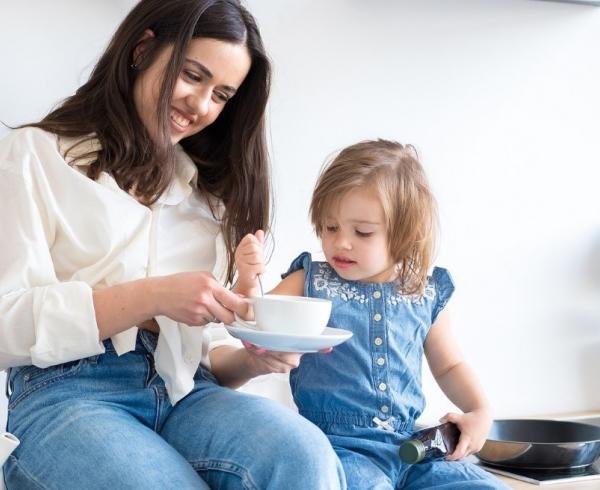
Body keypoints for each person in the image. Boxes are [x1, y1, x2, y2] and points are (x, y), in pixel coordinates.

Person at [0, 1, 346, 488]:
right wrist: (153, 296)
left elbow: (205, 354)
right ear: (143, 49)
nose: (201, 105)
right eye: (192, 75)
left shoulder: (207, 198)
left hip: (187, 393)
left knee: (303, 455)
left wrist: (252, 358)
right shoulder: (35, 156)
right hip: (68, 394)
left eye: (221, 94)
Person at [235, 139, 510, 489]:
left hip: (413, 448)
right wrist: (247, 280)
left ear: (405, 235)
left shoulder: (424, 291)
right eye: (330, 227)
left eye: (362, 232)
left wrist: (480, 411)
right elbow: (254, 317)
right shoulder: (310, 280)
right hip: (339, 448)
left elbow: (449, 365)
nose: (341, 243)